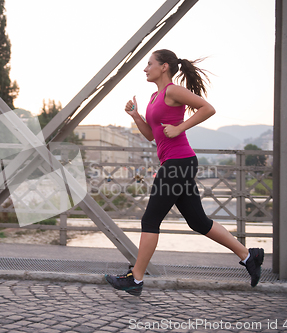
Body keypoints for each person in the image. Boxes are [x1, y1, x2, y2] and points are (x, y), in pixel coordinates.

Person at [105, 49, 264, 296]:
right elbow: (151, 135)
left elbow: (207, 108)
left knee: (150, 220)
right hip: (178, 162)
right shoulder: (154, 96)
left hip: (178, 163)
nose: (145, 68)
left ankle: (135, 279)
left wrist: (180, 128)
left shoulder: (172, 90)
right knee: (199, 222)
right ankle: (248, 255)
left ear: (164, 67)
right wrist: (135, 115)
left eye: (149, 64)